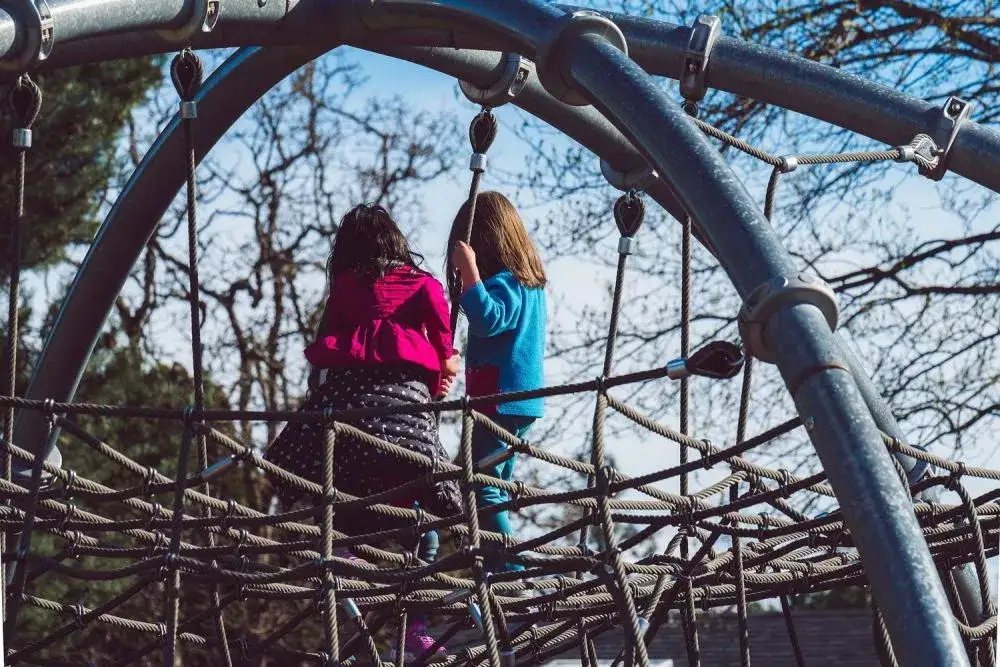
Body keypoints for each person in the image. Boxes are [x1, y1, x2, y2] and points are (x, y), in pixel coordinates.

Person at [264, 203, 461, 657]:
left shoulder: (343, 289)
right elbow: (443, 343)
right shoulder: (424, 285)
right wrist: (445, 369)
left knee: (344, 503)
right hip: (400, 427)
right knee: (424, 530)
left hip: (346, 422)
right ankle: (413, 630)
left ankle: (344, 558)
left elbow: (327, 350)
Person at [446, 191, 547, 575]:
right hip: (517, 401)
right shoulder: (531, 285)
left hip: (497, 401)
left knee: (480, 486)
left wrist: (470, 271)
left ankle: (515, 571)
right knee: (494, 488)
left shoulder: (506, 283)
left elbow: (488, 319)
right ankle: (497, 567)